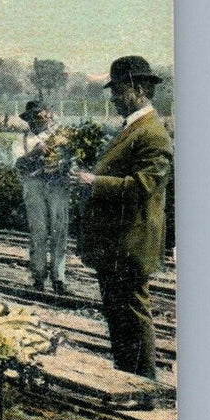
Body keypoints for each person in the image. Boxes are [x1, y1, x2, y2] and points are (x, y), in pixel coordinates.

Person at [71, 56, 172, 384]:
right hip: (118, 245)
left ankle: (142, 383)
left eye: (119, 90)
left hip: (130, 243)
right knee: (119, 315)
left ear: (140, 90)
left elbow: (143, 186)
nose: (113, 97)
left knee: (132, 314)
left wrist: (92, 182)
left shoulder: (152, 134)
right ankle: (127, 379)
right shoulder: (134, 128)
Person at [14, 100, 70, 295]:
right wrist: (34, 153)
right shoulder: (23, 140)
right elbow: (18, 164)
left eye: (41, 115)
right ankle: (38, 277)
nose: (38, 120)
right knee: (38, 232)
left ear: (49, 115)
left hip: (57, 186)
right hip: (34, 186)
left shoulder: (60, 137)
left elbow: (71, 159)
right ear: (28, 119)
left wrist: (63, 162)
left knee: (59, 231)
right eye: (33, 117)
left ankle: (59, 278)